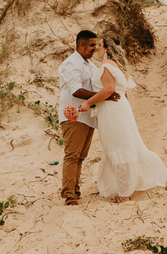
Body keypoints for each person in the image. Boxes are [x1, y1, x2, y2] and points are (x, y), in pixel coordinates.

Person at [73, 36, 167, 202]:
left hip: (112, 112)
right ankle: (125, 188)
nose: (97, 48)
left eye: (100, 45)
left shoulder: (106, 65)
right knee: (122, 146)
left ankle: (124, 194)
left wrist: (88, 103)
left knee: (118, 148)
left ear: (107, 48)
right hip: (117, 109)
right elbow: (121, 92)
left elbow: (109, 89)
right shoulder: (115, 65)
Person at [57, 29, 117, 206]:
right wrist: (103, 96)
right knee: (72, 155)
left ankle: (75, 191)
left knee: (81, 156)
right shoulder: (71, 63)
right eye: (91, 45)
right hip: (73, 115)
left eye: (96, 45)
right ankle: (69, 195)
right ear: (81, 45)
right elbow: (76, 90)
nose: (94, 48)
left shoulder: (90, 65)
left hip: (87, 116)